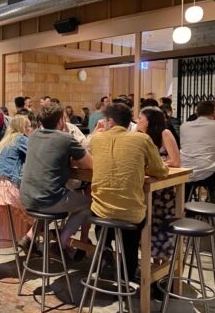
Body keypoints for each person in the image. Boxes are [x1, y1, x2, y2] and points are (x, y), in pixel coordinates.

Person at [89, 103, 169, 280]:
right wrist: (141, 168)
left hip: (99, 212)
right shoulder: (142, 140)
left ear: (110, 121)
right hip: (130, 214)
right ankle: (128, 275)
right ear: (128, 122)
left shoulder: (96, 139)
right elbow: (161, 171)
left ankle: (105, 251)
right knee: (131, 234)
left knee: (102, 217)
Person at [20, 103, 93, 258]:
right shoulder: (66, 138)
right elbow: (91, 164)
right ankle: (62, 241)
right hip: (48, 200)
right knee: (89, 203)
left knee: (47, 193)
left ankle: (30, 235)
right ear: (61, 121)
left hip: (27, 197)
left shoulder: (32, 136)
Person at [0, 116, 34, 254]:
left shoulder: (4, 141)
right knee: (36, 209)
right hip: (8, 187)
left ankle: (29, 241)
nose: (31, 129)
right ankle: (31, 239)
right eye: (29, 126)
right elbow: (36, 155)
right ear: (22, 128)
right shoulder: (20, 138)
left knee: (30, 205)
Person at [136, 106, 180, 261]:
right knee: (145, 225)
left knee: (159, 225)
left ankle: (160, 265)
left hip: (162, 189)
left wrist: (157, 164)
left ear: (149, 121)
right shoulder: (140, 136)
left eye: (140, 118)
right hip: (144, 187)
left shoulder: (165, 133)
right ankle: (148, 263)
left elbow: (175, 161)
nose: (137, 120)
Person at [180, 100, 215, 202]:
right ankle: (211, 207)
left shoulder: (184, 126)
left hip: (184, 172)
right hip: (207, 174)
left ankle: (184, 207)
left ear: (197, 113)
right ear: (213, 113)